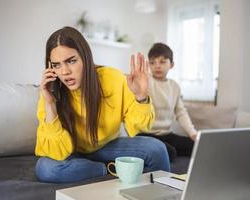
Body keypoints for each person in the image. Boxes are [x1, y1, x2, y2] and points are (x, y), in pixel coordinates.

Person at [34, 27, 170, 183]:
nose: (64, 72)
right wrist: (50, 103)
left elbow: (140, 127)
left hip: (107, 146)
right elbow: (56, 152)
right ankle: (107, 168)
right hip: (71, 151)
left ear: (85, 57)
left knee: (157, 149)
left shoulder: (113, 78)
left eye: (71, 61)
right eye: (57, 65)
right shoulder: (50, 92)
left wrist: (141, 97)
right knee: (45, 168)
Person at [138, 43, 198, 162]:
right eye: (152, 62)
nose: (157, 66)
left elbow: (181, 113)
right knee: (169, 152)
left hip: (167, 135)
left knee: (196, 147)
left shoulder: (174, 86)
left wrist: (193, 134)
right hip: (145, 135)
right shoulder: (145, 82)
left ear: (171, 64)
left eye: (162, 61)